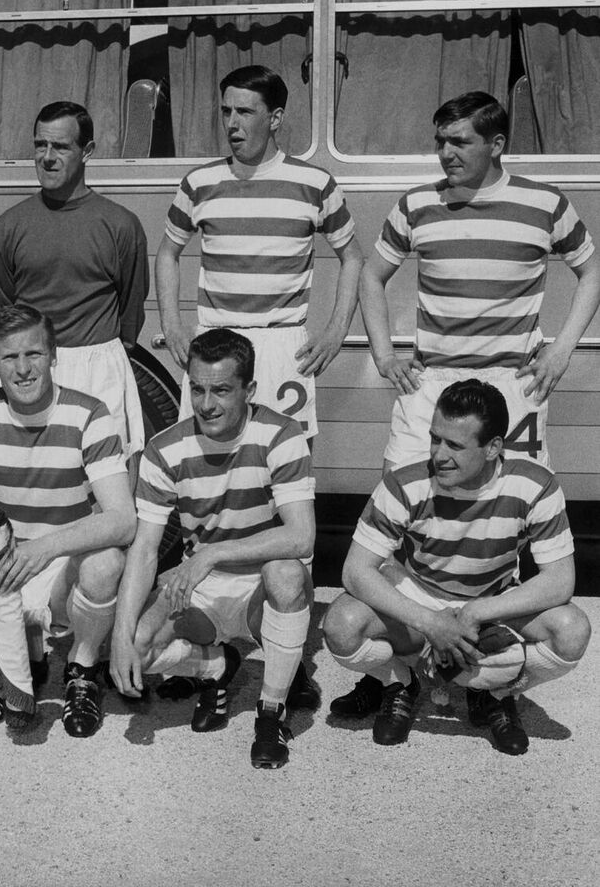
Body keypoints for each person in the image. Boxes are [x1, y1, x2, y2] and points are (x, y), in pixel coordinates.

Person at [322, 379, 589, 755]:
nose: (439, 455)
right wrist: (430, 622)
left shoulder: (534, 485)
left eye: (455, 445)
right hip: (420, 593)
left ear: (493, 447)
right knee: (340, 625)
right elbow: (355, 571)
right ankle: (399, 682)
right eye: (436, 439)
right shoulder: (405, 483)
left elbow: (560, 580)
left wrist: (476, 612)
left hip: (492, 599)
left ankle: (495, 692)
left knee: (572, 631)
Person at [0, 304, 136, 737]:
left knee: (106, 561)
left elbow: (122, 520)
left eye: (33, 353)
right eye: (10, 357)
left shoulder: (90, 413)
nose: (22, 368)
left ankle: (82, 669)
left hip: (59, 563)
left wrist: (45, 548)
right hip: (5, 563)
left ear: (53, 355)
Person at [110, 328, 320, 769]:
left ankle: (271, 712)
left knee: (286, 573)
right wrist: (120, 636)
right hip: (203, 588)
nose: (206, 404)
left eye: (221, 390)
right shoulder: (164, 449)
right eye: (197, 389)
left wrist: (211, 554)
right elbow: (144, 550)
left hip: (262, 584)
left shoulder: (281, 434)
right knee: (138, 648)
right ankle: (217, 666)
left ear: (250, 390)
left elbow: (301, 536)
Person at [359, 90, 599, 469]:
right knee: (401, 490)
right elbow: (371, 275)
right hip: (432, 382)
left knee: (515, 494)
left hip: (513, 382)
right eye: (440, 141)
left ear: (496, 145)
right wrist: (384, 356)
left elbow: (592, 272)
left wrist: (561, 351)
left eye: (460, 142)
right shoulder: (417, 204)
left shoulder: (545, 204)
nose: (446, 153)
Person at [156, 64, 363, 442]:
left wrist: (336, 331)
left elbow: (353, 257)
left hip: (281, 345)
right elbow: (167, 253)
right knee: (207, 462)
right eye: (226, 111)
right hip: (216, 343)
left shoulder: (315, 184)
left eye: (245, 112)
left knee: (287, 462)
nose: (232, 123)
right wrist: (171, 324)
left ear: (275, 118)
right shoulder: (199, 183)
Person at [0, 100, 149, 463]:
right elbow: (3, 315)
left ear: (87, 151)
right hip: (32, 368)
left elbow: (131, 306)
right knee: (30, 472)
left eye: (60, 146)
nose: (47, 157)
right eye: (39, 145)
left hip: (98, 368)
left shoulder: (121, 225)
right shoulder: (7, 228)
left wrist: (103, 349)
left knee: (107, 478)